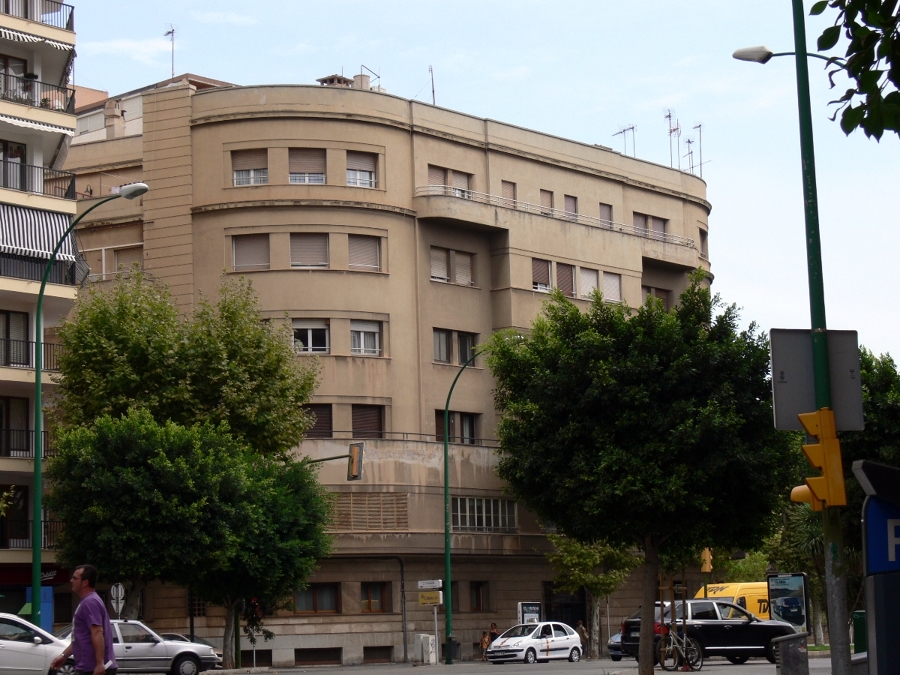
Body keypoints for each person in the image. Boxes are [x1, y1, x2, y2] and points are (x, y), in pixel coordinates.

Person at [51, 564, 117, 675]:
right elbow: (80, 639)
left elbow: (97, 632)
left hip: (92, 669)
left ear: (85, 582)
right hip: (87, 667)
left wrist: (100, 664)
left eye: (75, 578)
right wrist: (64, 656)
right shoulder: (87, 601)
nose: (71, 581)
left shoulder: (90, 603)